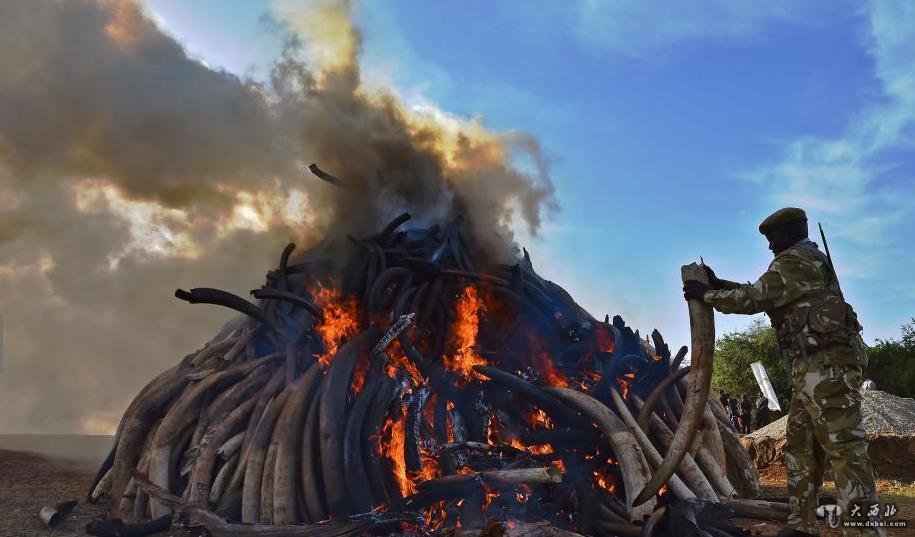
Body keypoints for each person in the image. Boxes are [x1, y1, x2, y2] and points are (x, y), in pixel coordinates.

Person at [683, 207, 884, 537]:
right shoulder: (803, 263)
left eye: (773, 238)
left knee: (845, 450)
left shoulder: (795, 260)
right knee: (802, 446)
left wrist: (707, 295)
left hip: (827, 369)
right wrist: (718, 284)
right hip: (811, 370)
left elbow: (754, 298)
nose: (770, 245)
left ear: (791, 232)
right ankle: (802, 524)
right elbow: (770, 294)